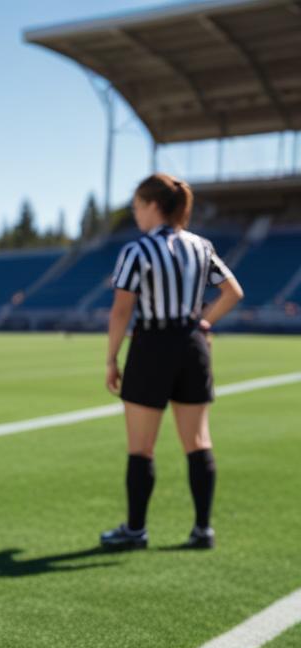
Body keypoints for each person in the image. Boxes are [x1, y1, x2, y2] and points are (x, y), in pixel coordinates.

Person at [100, 173, 243, 552]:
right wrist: (204, 321)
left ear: (152, 206)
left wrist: (111, 358)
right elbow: (233, 291)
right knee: (197, 442)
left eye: (136, 208)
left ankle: (135, 530)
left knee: (141, 447)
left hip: (152, 346)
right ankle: (202, 530)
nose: (135, 216)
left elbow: (121, 311)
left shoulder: (138, 251)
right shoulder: (200, 245)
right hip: (192, 344)